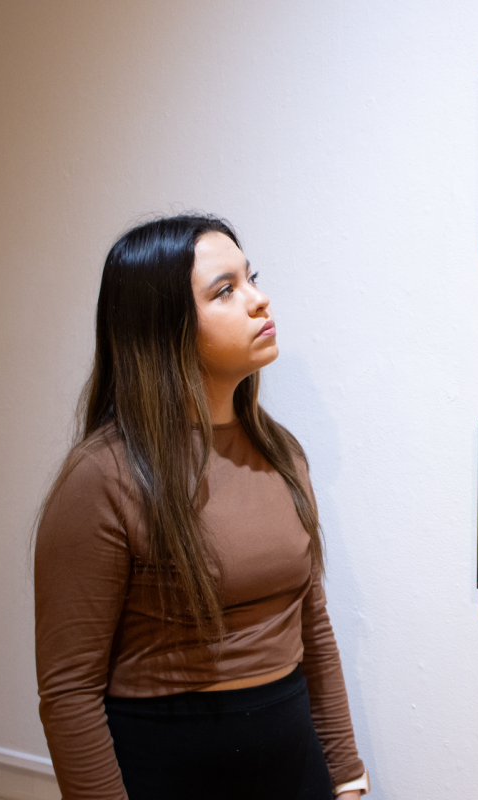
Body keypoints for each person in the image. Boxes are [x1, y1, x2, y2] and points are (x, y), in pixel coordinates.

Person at [34, 214, 369, 800]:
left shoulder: (282, 451)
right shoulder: (102, 477)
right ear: (163, 328)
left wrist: (347, 776)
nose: (259, 301)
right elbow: (69, 694)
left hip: (294, 768)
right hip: (166, 772)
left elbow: (312, 625)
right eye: (225, 290)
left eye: (252, 278)